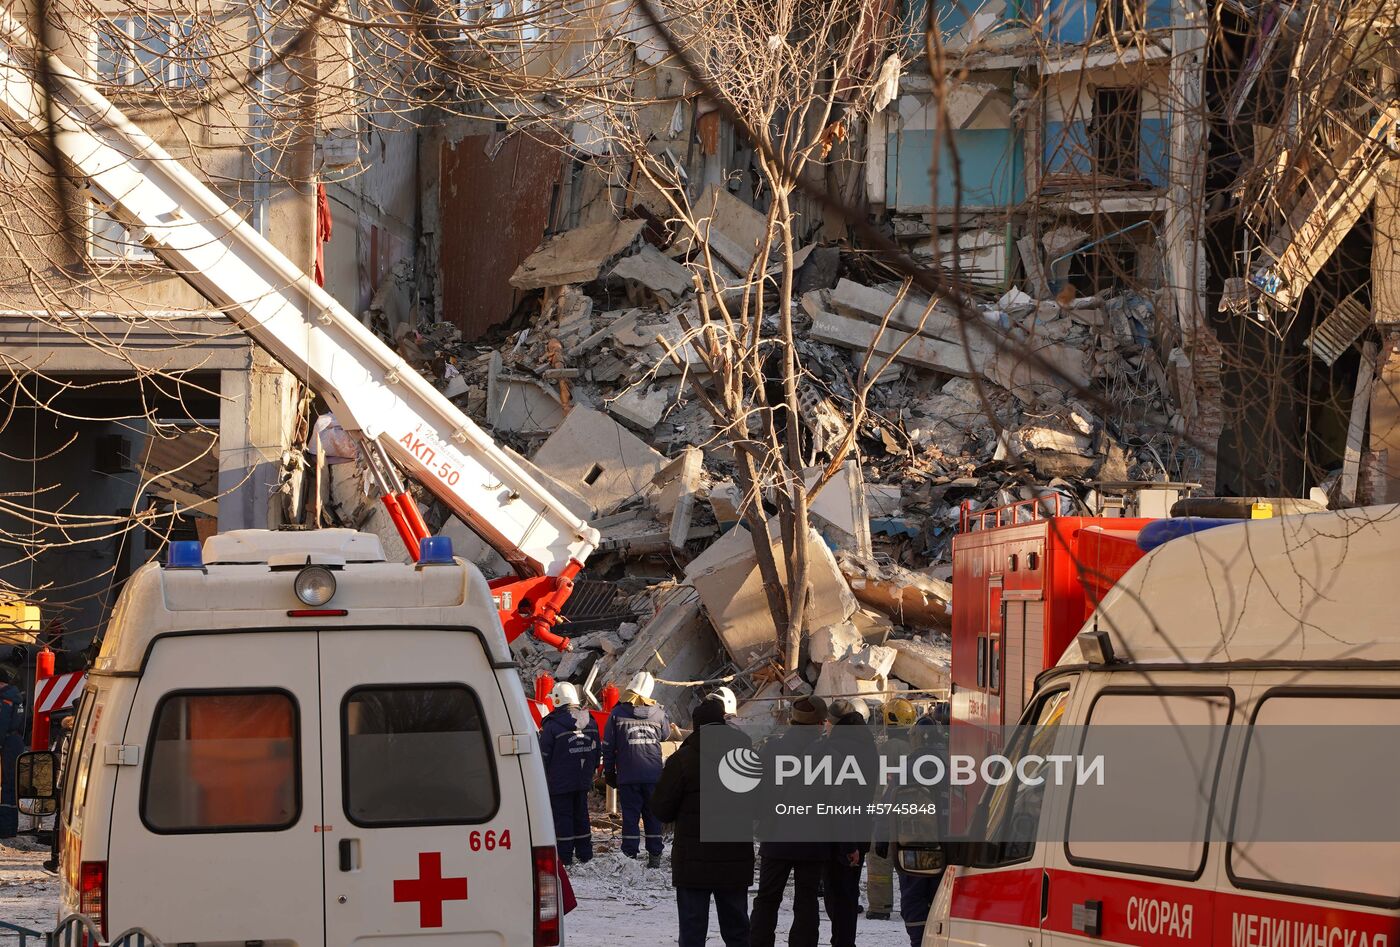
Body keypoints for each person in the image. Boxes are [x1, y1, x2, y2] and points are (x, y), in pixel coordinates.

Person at [651, 696, 753, 947]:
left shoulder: (681, 760)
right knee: (738, 930)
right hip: (734, 857)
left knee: (692, 932)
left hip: (693, 861)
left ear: (696, 726)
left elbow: (661, 809)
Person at [749, 694, 829, 947]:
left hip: (776, 834)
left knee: (767, 898)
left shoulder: (772, 748)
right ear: (820, 723)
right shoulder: (827, 753)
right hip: (812, 838)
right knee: (806, 900)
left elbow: (758, 790)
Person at [822, 697, 878, 947]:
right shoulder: (868, 744)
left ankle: (841, 939)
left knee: (834, 890)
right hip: (861, 827)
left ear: (834, 723)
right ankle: (845, 940)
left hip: (835, 829)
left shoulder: (833, 748)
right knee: (849, 889)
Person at [602, 670, 671, 867]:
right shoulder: (658, 713)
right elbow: (665, 736)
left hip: (628, 776)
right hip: (653, 776)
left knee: (630, 818)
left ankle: (630, 856)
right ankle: (655, 857)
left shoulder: (616, 714)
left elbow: (608, 746)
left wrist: (609, 773)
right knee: (652, 816)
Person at [538, 681, 601, 865]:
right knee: (581, 815)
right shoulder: (590, 722)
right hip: (583, 781)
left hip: (559, 784)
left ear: (557, 700)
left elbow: (543, 757)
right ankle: (585, 854)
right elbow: (597, 752)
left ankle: (565, 857)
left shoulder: (552, 726)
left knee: (562, 818)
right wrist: (591, 773)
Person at [866, 696, 916, 920]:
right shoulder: (915, 751)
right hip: (909, 814)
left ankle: (879, 907)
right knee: (910, 862)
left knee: (879, 861)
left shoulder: (880, 750)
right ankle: (912, 906)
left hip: (881, 812)